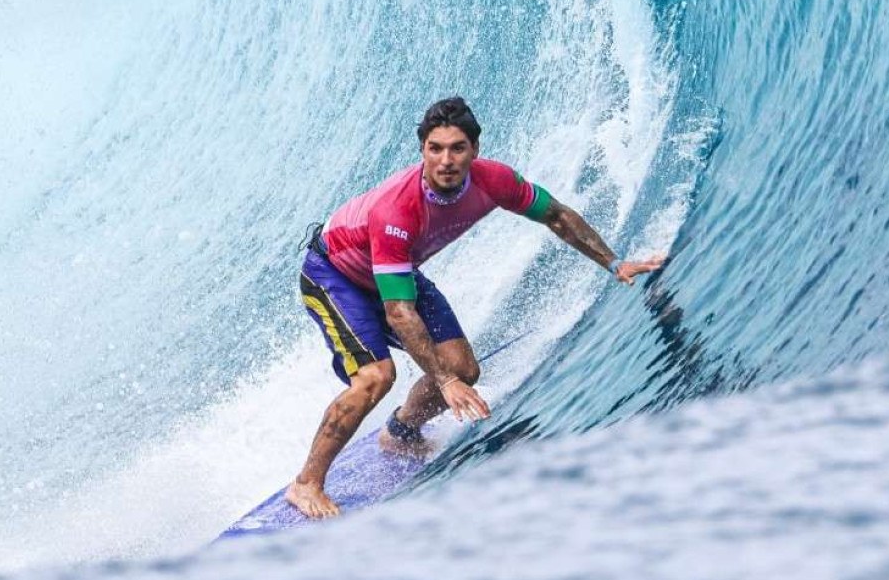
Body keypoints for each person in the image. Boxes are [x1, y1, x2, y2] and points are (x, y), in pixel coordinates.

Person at [285, 96, 666, 519]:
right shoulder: (397, 209)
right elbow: (398, 313)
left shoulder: (493, 180)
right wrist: (443, 381)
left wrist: (614, 262)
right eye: (435, 148)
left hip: (396, 272)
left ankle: (400, 432)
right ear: (422, 151)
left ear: (475, 150)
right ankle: (306, 484)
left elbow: (555, 215)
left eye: (457, 148)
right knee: (376, 377)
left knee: (463, 368)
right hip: (336, 274)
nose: (446, 160)